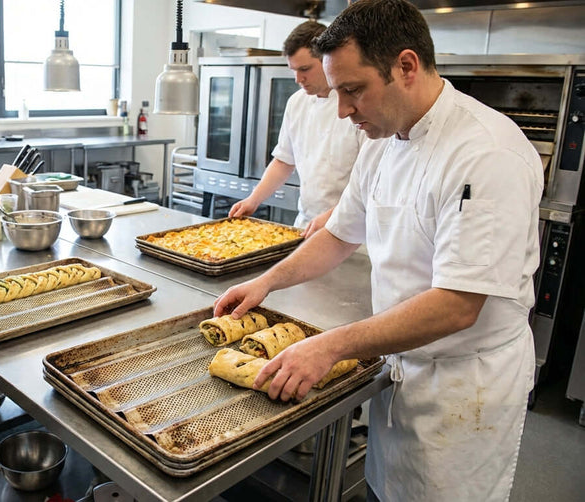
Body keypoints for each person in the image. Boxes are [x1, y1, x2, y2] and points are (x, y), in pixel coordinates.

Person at [213, 1, 542, 500]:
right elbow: (340, 234)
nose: (343, 110)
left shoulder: (485, 154)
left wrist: (330, 345)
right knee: (384, 489)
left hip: (462, 384)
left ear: (406, 67)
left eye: (353, 90)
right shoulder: (383, 139)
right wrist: (266, 282)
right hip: (399, 363)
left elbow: (457, 305)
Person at [228, 20, 365, 238]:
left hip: (352, 231)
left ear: (328, 61)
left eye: (305, 69)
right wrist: (253, 200)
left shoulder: (357, 106)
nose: (298, 79)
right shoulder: (297, 102)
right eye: (293, 70)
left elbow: (369, 183)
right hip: (305, 225)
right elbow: (283, 160)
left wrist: (333, 217)